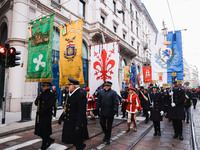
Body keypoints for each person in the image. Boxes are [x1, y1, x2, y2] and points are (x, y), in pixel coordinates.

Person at [58, 78, 89, 150]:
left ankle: (80, 146)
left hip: (76, 121)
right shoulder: (70, 94)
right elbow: (67, 107)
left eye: (70, 85)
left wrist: (79, 124)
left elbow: (81, 112)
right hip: (69, 121)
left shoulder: (80, 95)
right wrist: (61, 117)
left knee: (76, 139)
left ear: (74, 86)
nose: (68, 86)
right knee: (71, 138)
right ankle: (81, 145)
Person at [34, 82, 56, 150]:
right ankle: (49, 140)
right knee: (39, 132)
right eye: (42, 86)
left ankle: (43, 147)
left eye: (44, 86)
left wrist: (42, 111)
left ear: (48, 87)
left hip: (46, 116)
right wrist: (38, 97)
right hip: (40, 116)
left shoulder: (51, 95)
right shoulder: (41, 94)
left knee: (45, 131)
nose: (42, 87)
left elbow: (50, 105)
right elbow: (36, 103)